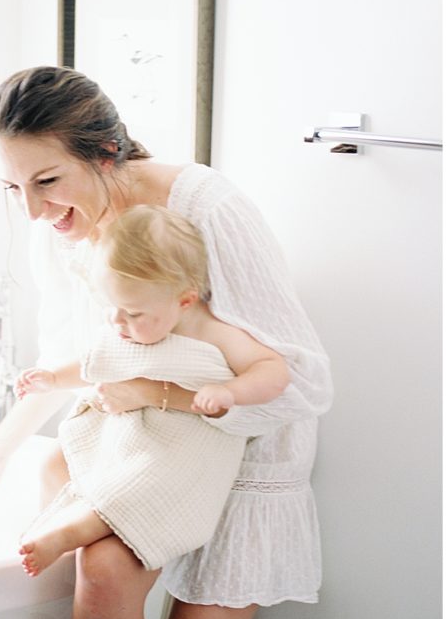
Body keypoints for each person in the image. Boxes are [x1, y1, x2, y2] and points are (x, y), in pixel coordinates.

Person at [0, 66, 333, 619]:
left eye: (47, 181)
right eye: (14, 188)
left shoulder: (205, 209)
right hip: (150, 447)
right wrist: (0, 447)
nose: (33, 210)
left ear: (105, 153)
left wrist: (174, 394)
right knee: (99, 571)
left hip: (246, 449)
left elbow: (303, 377)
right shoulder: (59, 234)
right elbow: (72, 359)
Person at [16, 204, 290, 578]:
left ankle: (69, 532)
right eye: (111, 307)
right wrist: (50, 378)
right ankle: (54, 535)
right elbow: (92, 361)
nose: (117, 321)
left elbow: (273, 370)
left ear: (185, 301)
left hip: (178, 454)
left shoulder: (212, 332)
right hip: (129, 436)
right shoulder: (126, 323)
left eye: (132, 312)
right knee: (53, 462)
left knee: (138, 486)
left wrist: (231, 391)